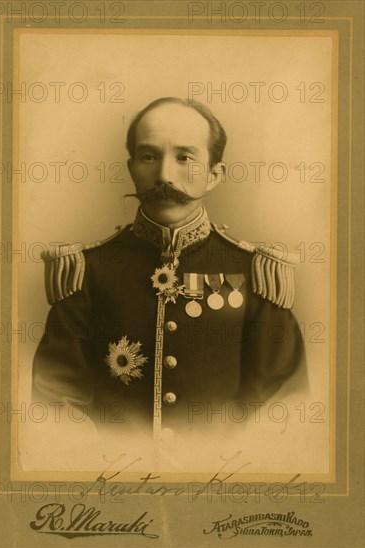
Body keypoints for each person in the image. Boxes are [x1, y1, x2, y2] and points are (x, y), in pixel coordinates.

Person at [32, 97, 307, 443]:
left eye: (184, 157)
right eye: (149, 156)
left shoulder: (256, 273)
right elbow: (54, 405)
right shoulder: (87, 271)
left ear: (214, 175)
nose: (164, 175)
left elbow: (283, 408)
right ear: (132, 167)